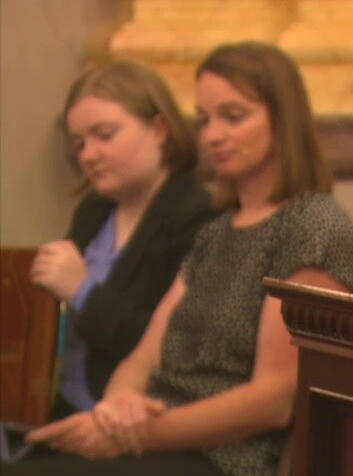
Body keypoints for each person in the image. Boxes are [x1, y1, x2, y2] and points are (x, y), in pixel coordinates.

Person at [2, 42, 353, 476]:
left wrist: (135, 435)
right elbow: (140, 359)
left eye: (232, 117)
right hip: (149, 448)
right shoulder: (216, 232)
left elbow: (275, 398)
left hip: (224, 468)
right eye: (205, 119)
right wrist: (117, 412)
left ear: (283, 119)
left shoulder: (314, 225)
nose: (212, 135)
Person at [28, 61, 214, 419]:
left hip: (130, 417)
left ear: (159, 129)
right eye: (79, 143)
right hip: (57, 404)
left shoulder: (197, 216)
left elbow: (174, 352)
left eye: (105, 134)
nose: (88, 155)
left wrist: (81, 290)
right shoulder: (94, 209)